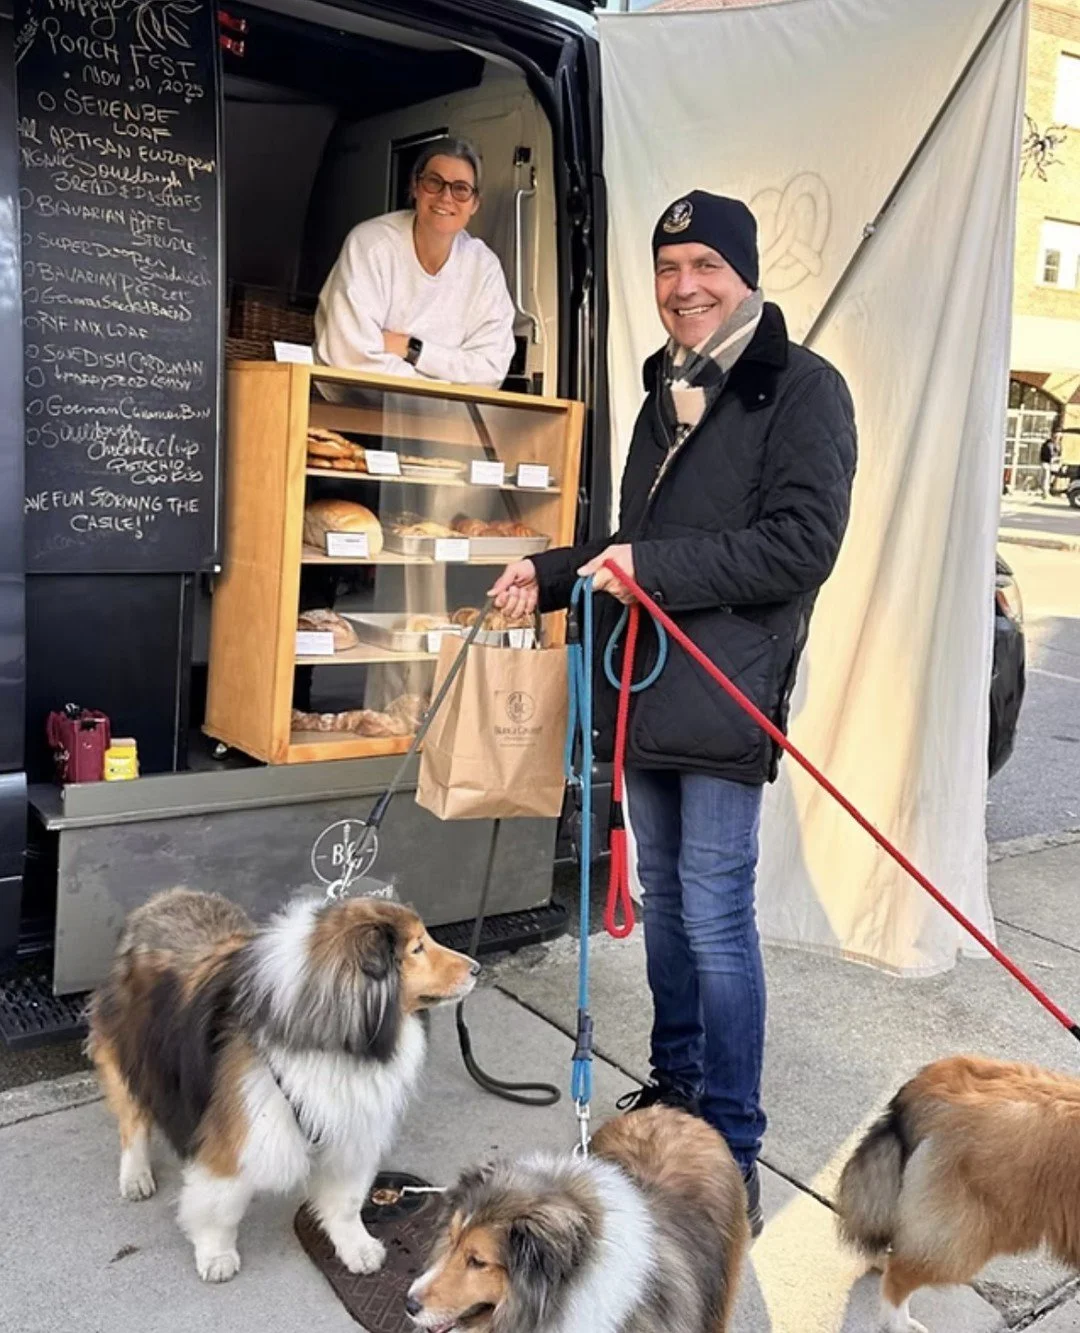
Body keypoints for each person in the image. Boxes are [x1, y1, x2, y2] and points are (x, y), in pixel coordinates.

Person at [491, 190, 857, 1237]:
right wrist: (551, 571)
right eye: (667, 267)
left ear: (743, 275)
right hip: (644, 690)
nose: (683, 286)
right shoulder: (666, 384)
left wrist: (649, 569)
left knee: (716, 913)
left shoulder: (804, 387)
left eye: (704, 266)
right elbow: (634, 538)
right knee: (662, 902)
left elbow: (801, 546)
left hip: (727, 694)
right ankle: (677, 1087)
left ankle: (732, 1147)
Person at [314, 137, 515, 387]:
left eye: (461, 189)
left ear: (475, 204)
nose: (446, 197)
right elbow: (352, 357)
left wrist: (412, 349)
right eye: (434, 182)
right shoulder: (370, 245)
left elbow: (490, 370)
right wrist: (442, 386)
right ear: (415, 188)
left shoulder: (484, 268)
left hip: (442, 409)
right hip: (348, 401)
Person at [1040, 435, 1056, 499]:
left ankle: (1046, 491)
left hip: (1048, 463)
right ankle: (1045, 492)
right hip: (1046, 463)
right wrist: (1051, 459)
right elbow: (1046, 456)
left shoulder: (1048, 446)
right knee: (1046, 478)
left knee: (1048, 478)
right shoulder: (1047, 446)